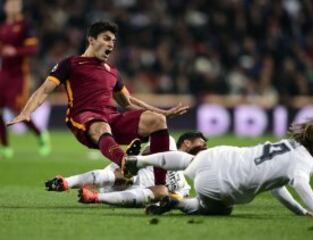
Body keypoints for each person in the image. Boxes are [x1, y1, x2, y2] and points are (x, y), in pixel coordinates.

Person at [7, 21, 188, 184]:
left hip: (111, 118)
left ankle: (159, 187)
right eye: (106, 38)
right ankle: (126, 162)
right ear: (91, 40)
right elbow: (44, 90)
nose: (111, 44)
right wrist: (26, 112)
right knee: (101, 126)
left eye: (113, 42)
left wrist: (163, 113)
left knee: (156, 121)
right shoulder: (71, 63)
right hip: (83, 118)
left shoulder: (112, 72)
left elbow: (128, 102)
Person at [124, 120, 313, 220]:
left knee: (185, 160)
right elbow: (300, 183)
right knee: (219, 210)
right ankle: (177, 203)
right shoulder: (304, 161)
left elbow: (277, 187)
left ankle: (140, 161)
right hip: (221, 185)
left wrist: (300, 211)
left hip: (221, 155)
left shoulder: (290, 146)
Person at [45, 131, 208, 208]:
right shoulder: (169, 142)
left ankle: (95, 196)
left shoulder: (185, 185)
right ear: (187, 143)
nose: (205, 149)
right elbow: (147, 153)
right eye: (202, 144)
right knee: (125, 175)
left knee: (161, 192)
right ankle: (66, 182)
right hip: (125, 176)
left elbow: (177, 200)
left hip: (130, 196)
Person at [0, 0, 50, 158]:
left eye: (16, 4)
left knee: (17, 110)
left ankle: (40, 135)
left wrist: (15, 51)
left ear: (20, 7)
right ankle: (5, 146)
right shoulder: (2, 27)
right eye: (10, 4)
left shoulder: (25, 26)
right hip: (4, 73)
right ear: (5, 7)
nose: (13, 7)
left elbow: (33, 47)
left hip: (19, 75)